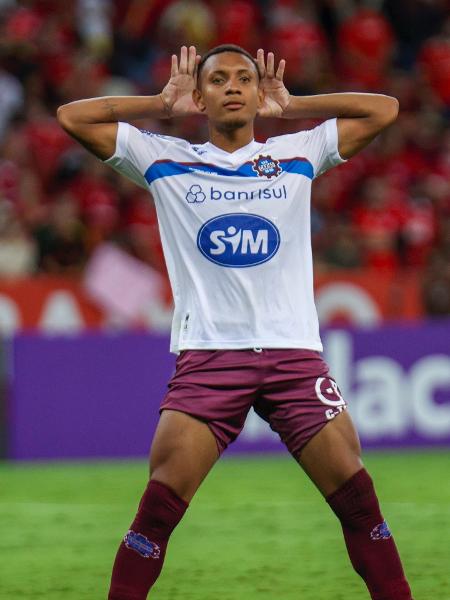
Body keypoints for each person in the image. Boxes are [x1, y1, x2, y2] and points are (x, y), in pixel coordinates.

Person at [57, 44, 412, 600]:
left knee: (360, 502)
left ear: (255, 91)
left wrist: (292, 107)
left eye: (243, 78)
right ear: (199, 96)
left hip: (293, 355)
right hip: (210, 357)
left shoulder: (298, 152)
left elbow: (385, 108)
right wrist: (156, 102)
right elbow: (72, 117)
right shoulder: (163, 158)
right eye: (217, 79)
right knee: (157, 512)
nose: (232, 86)